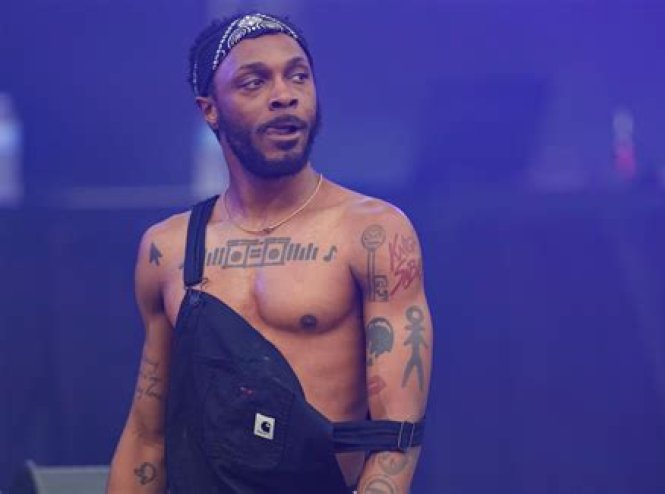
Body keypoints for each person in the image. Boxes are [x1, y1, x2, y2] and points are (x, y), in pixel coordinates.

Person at [107, 11, 432, 494]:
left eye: (298, 75)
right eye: (254, 82)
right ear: (210, 109)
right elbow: (146, 435)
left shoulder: (372, 232)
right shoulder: (168, 248)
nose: (285, 95)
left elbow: (396, 436)